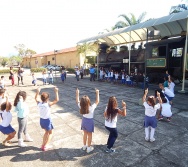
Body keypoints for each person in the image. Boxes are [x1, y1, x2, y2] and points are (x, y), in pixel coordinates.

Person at [35, 87, 59, 151]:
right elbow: (56, 100)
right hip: (47, 120)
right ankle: (45, 146)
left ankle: (43, 145)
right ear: (48, 98)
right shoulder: (48, 104)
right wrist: (56, 92)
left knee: (46, 132)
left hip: (41, 120)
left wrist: (37, 92)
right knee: (50, 133)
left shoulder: (39, 104)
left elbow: (35, 98)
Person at [76, 88, 99, 153]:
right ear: (88, 101)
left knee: (85, 134)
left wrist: (77, 93)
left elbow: (77, 101)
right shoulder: (91, 107)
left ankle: (84, 146)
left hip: (84, 121)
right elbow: (97, 101)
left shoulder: (80, 106)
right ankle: (89, 148)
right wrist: (97, 93)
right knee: (90, 135)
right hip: (89, 122)